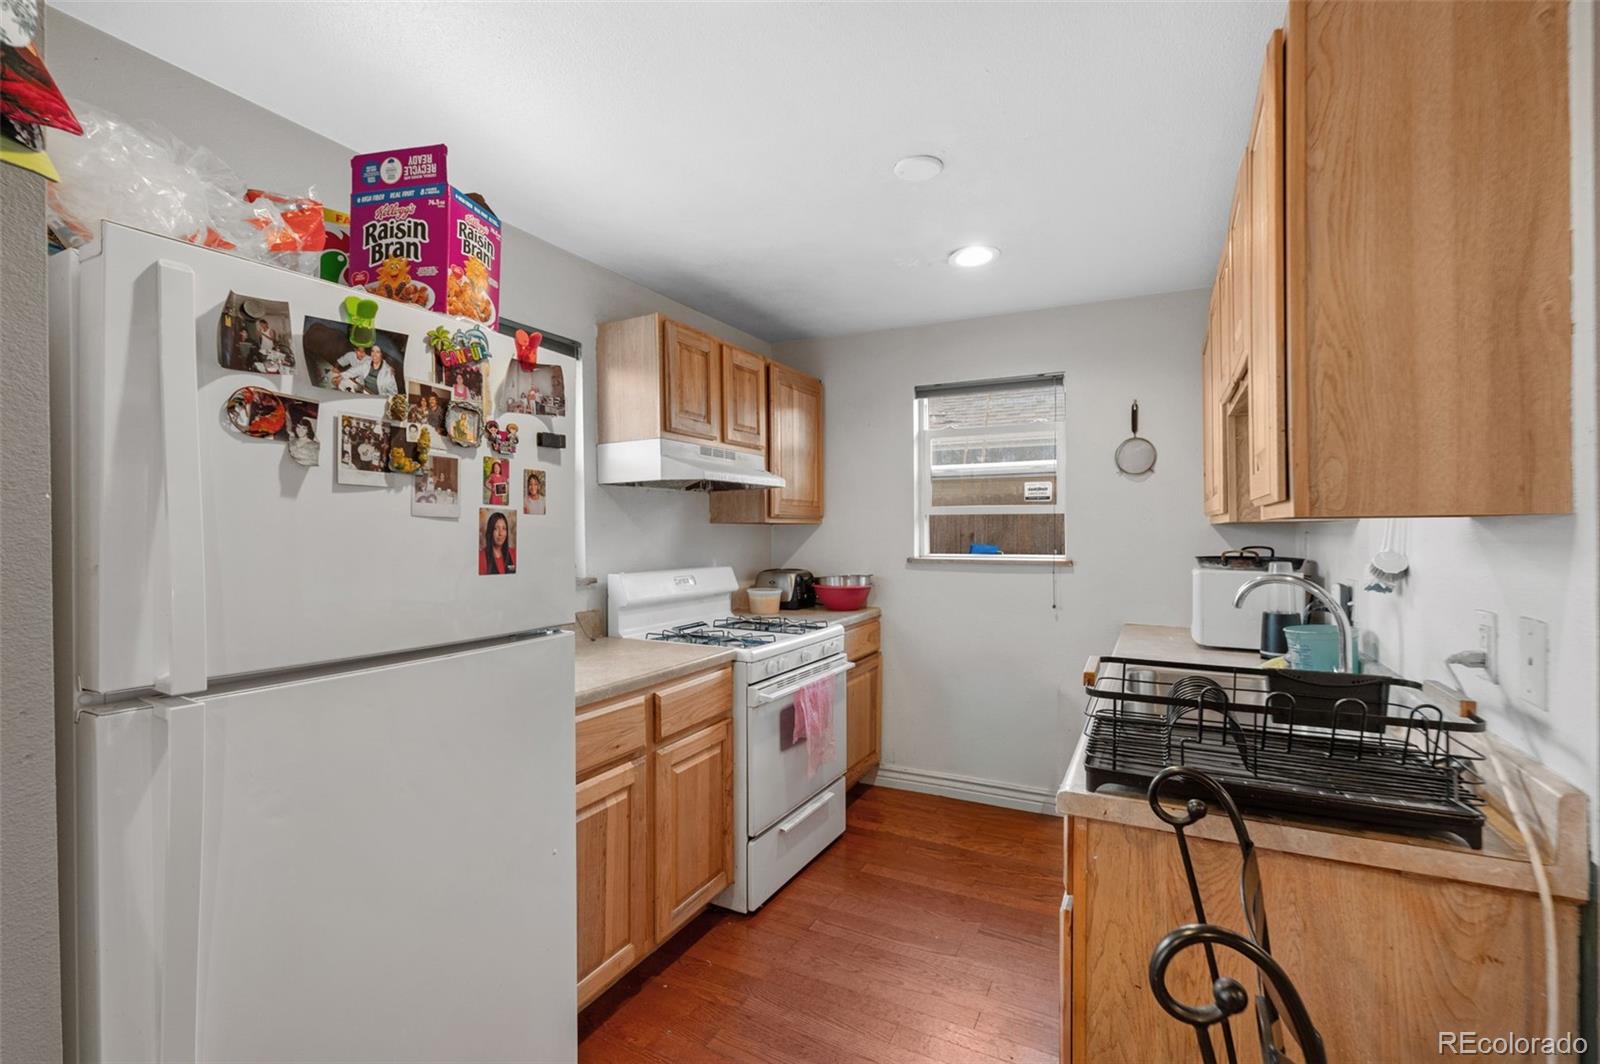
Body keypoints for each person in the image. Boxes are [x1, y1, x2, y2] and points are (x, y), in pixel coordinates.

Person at [334, 345, 399, 396]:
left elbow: (394, 393)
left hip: (376, 397)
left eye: (377, 352)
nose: (374, 354)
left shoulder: (388, 372)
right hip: (363, 390)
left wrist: (380, 398)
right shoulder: (367, 364)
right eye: (373, 351)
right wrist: (341, 376)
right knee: (342, 384)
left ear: (382, 355)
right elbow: (354, 371)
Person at [480, 511, 515, 575]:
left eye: (504, 528)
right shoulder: (481, 557)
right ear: (490, 531)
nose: (500, 533)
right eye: (496, 529)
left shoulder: (514, 553)